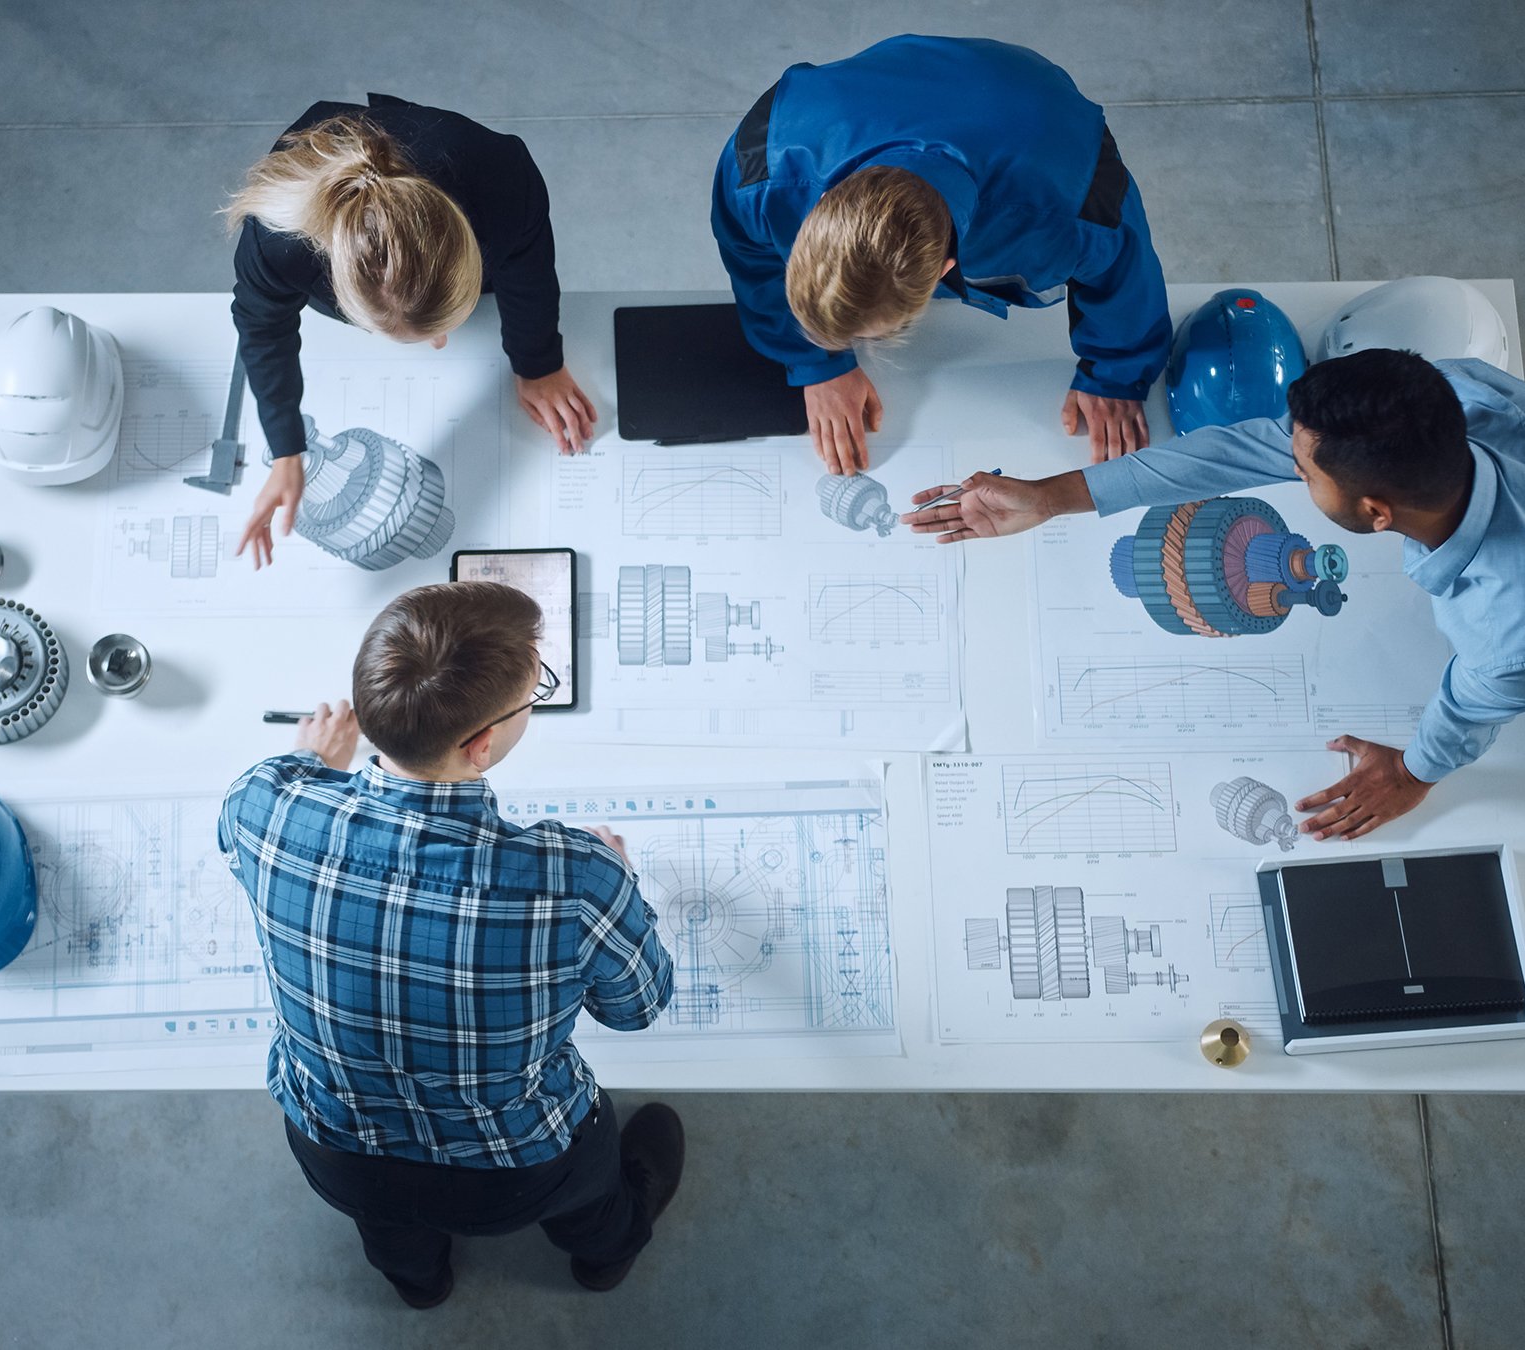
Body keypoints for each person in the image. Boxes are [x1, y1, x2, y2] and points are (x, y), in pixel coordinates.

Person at [902, 349, 1525, 837]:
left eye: (1301, 467)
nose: (1283, 464)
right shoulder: (1463, 395)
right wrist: (1052, 497)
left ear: (1373, 510)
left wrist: (1409, 772)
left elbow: (1467, 713)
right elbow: (1243, 450)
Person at [218, 582, 685, 1307]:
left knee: (389, 1229)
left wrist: (311, 765)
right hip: (518, 1168)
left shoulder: (264, 806)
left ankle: (419, 1284)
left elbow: (270, 790)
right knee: (594, 1200)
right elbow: (639, 1008)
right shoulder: (575, 881)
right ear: (481, 745)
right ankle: (605, 1258)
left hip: (338, 1151)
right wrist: (616, 884)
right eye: (535, 693)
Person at [712, 35, 1172, 474]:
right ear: (806, 224)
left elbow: (1125, 273)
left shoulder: (1071, 207)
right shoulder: (762, 166)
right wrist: (815, 363)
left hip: (1031, 102)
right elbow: (751, 258)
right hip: (861, 98)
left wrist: (1115, 375)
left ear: (944, 270)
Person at [225, 95, 599, 568]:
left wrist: (539, 362)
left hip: (461, 190)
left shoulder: (500, 176)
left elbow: (528, 268)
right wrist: (287, 447)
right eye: (418, 337)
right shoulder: (277, 242)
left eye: (443, 327)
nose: (440, 345)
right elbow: (261, 327)